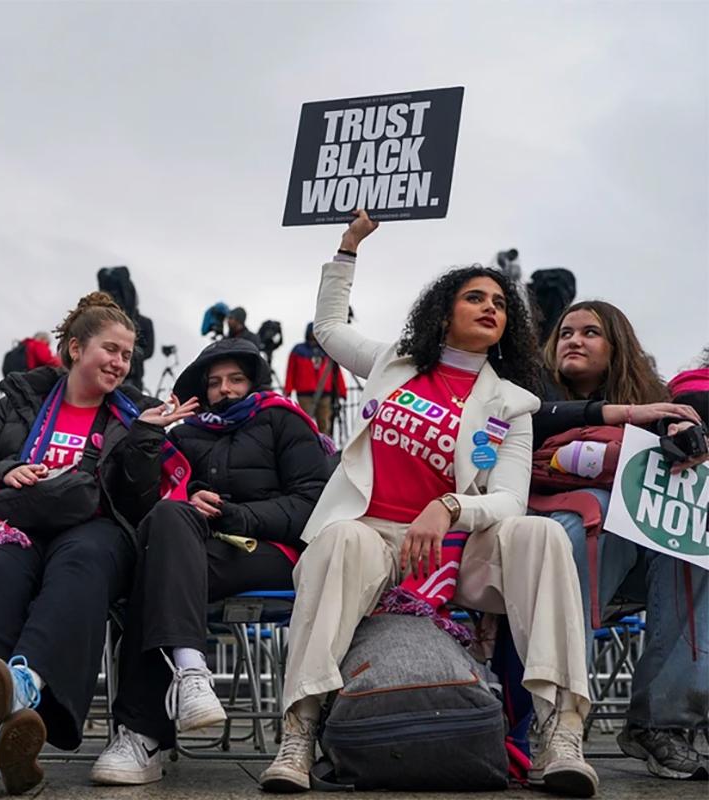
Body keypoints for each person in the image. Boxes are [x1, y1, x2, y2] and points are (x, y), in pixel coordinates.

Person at [261, 210, 596, 797]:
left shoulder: (510, 401)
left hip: (455, 549)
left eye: (499, 302)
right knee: (340, 537)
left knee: (540, 534)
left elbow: (510, 502)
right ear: (445, 312)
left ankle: (560, 733)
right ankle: (299, 733)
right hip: (373, 536)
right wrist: (348, 247)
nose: (491, 307)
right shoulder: (395, 363)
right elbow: (328, 327)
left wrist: (449, 506)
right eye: (475, 297)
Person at [0, 292, 198, 795]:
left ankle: (22, 685)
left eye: (127, 355)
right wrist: (5, 470)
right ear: (76, 348)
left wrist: (144, 439)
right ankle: (2, 739)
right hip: (18, 522)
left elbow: (139, 501)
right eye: (111, 349)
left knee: (84, 560)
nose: (120, 363)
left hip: (97, 527)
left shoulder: (135, 414)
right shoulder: (21, 399)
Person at [92, 337, 332, 784]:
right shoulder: (183, 433)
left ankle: (140, 734)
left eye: (235, 379)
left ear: (254, 381)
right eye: (215, 381)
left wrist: (236, 513)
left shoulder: (284, 421)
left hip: (273, 552)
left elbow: (313, 504)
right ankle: (191, 673)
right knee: (164, 525)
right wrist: (147, 437)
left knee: (154, 572)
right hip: (197, 549)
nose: (225, 389)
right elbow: (136, 503)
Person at [531, 304, 707, 780]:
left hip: (633, 559)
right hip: (551, 534)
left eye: (590, 332)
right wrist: (618, 416)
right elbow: (524, 425)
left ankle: (662, 723)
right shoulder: (530, 389)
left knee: (696, 541)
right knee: (597, 512)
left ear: (617, 347)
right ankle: (558, 716)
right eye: (565, 332)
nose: (574, 340)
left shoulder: (656, 401)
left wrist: (686, 436)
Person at [283, 322, 348, 436]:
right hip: (304, 394)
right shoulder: (298, 350)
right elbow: (291, 371)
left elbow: (336, 373)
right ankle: (308, 447)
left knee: (324, 424)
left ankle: (325, 450)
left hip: (325, 393)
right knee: (305, 424)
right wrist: (288, 389)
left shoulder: (327, 350)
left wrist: (342, 391)